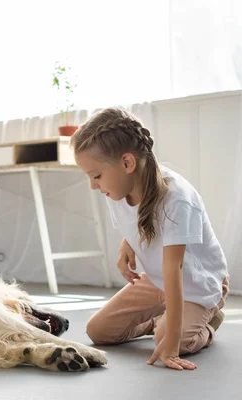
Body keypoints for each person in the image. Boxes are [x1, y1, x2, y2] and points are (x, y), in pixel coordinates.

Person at [71, 107, 228, 371]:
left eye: (96, 176)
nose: (93, 185)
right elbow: (135, 220)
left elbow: (175, 269)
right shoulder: (117, 189)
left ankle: (207, 321)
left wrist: (172, 344)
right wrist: (126, 245)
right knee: (99, 331)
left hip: (196, 285)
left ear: (127, 163)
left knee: (171, 340)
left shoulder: (177, 199)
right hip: (158, 281)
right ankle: (165, 321)